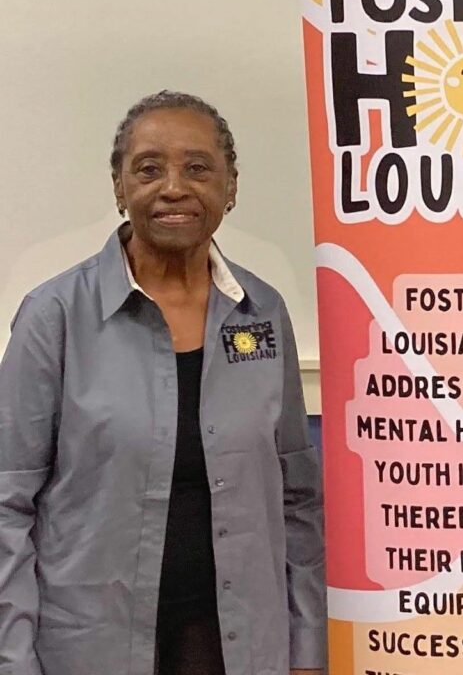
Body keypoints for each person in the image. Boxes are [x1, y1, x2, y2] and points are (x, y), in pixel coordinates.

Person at [0, 91, 326, 675]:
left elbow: (297, 499)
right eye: (149, 169)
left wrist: (306, 648)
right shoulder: (55, 317)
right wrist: (12, 658)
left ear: (230, 186)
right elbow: (7, 504)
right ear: (120, 188)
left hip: (236, 645)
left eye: (197, 168)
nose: (174, 187)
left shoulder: (261, 312)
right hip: (89, 646)